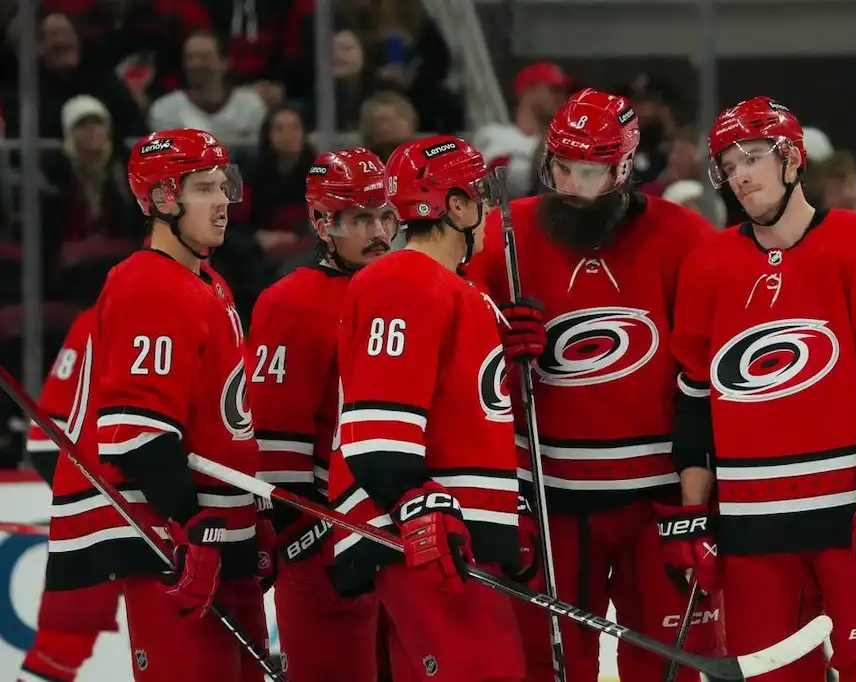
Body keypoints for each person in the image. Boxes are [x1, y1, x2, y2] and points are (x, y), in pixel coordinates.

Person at [667, 96, 856, 682]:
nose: (739, 174)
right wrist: (693, 513)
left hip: (855, 517)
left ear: (792, 158)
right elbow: (694, 404)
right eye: (728, 163)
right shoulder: (707, 267)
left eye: (752, 156)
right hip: (752, 531)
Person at [464, 88, 725, 682]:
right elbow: (451, 365)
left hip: (658, 502)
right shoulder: (498, 239)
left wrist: (704, 501)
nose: (575, 188)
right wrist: (493, 349)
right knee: (550, 669)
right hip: (548, 498)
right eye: (563, 169)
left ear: (625, 169)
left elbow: (713, 375)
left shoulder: (685, 239)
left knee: (667, 670)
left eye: (593, 172)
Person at [44, 128, 274, 682]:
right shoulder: (147, 284)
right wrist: (189, 525)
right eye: (204, 188)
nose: (222, 201)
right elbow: (138, 433)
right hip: (177, 542)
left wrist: (253, 513)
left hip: (222, 532)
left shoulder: (209, 283)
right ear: (163, 200)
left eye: (223, 185)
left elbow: (223, 420)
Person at [329, 135, 528, 682]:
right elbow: (376, 430)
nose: (487, 210)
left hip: (451, 536)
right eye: (479, 196)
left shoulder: (454, 287)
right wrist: (418, 505)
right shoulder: (402, 280)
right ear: (456, 206)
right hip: (423, 537)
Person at [18, 259, 239, 682]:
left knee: (71, 646)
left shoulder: (202, 311)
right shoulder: (127, 314)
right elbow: (45, 441)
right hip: (121, 521)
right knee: (65, 642)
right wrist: (109, 509)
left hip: (140, 519)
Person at [248, 148, 395, 682]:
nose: (379, 232)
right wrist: (302, 540)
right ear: (321, 223)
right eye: (361, 219)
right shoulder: (290, 303)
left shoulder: (402, 289)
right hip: (325, 540)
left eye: (385, 216)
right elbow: (273, 438)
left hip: (399, 535)